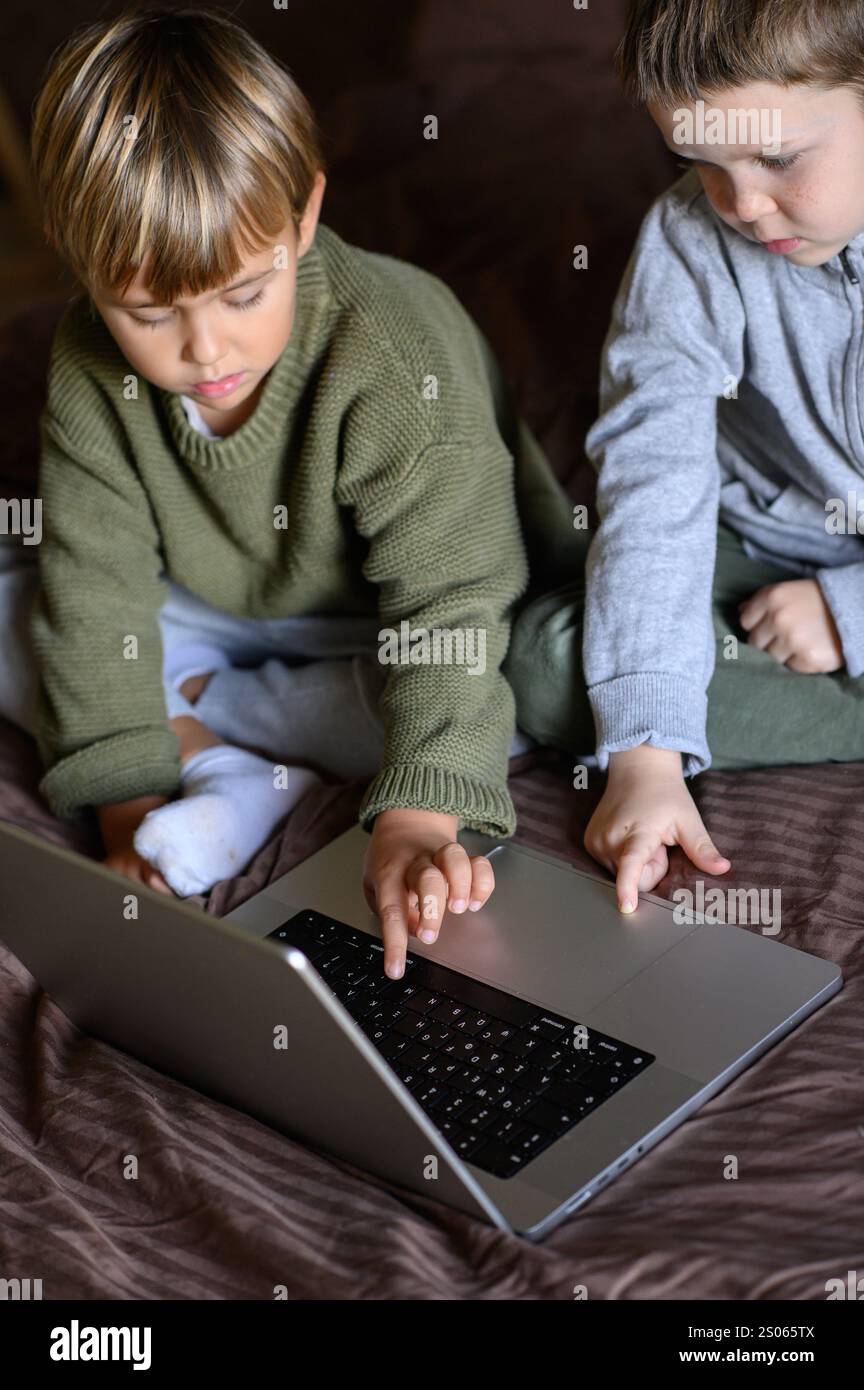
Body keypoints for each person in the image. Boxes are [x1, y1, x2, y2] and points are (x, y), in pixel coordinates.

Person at [14, 5, 575, 980]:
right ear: (80, 266)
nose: (204, 351)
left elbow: (448, 604)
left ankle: (212, 719)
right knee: (28, 611)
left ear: (305, 216)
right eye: (147, 312)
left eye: (243, 293)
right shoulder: (86, 366)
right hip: (201, 605)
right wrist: (133, 807)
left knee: (509, 692)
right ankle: (220, 766)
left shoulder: (394, 357)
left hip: (383, 629)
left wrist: (417, 815)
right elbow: (95, 580)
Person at [505, 0, 864, 912]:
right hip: (760, 537)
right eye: (703, 162)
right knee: (550, 661)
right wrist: (645, 756)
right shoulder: (688, 242)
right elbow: (655, 482)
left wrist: (850, 615)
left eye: (779, 159)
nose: (741, 205)